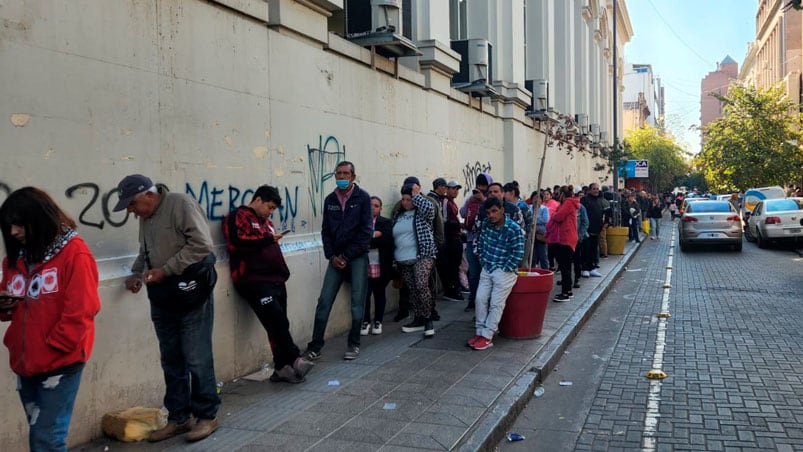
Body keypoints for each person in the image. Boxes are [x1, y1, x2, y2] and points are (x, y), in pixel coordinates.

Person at [116, 174, 220, 443]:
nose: (130, 210)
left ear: (149, 195)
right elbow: (145, 250)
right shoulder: (145, 216)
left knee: (197, 358)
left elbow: (202, 245)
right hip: (162, 297)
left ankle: (207, 416)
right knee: (171, 359)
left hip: (190, 294)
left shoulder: (180, 204)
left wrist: (167, 270)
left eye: (132, 204)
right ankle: (179, 417)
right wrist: (137, 274)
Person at [0, 187, 101, 452]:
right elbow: (12, 306)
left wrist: (54, 345)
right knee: (40, 434)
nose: (13, 233)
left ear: (39, 220)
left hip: (60, 362)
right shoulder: (15, 259)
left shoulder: (75, 254)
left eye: (19, 225)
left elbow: (82, 310)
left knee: (46, 440)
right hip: (25, 362)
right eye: (9, 226)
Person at [222, 185, 314, 384]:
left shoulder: (267, 223)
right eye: (269, 207)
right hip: (253, 279)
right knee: (277, 321)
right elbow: (237, 242)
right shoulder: (238, 216)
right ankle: (295, 358)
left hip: (275, 278)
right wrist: (266, 239)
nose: (270, 212)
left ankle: (282, 367)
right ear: (258, 200)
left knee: (279, 322)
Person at [304, 161, 372, 361]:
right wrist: (332, 256)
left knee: (357, 303)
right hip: (335, 258)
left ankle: (354, 343)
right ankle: (315, 346)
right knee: (324, 301)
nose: (342, 177)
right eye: (338, 174)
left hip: (356, 256)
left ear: (353, 177)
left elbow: (366, 232)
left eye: (346, 174)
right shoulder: (330, 199)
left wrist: (346, 256)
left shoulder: (363, 198)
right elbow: (325, 231)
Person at [468, 196, 524, 350]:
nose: (491, 215)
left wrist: (506, 268)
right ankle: (480, 332)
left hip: (504, 271)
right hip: (487, 267)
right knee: (480, 299)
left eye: (494, 211)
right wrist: (483, 260)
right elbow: (480, 242)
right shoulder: (486, 224)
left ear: (502, 210)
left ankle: (487, 336)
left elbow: (518, 252)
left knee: (496, 304)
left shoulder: (513, 228)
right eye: (488, 212)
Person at [393, 183, 437, 337]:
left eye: (409, 199)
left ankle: (428, 319)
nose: (406, 202)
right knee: (412, 289)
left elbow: (430, 210)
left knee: (421, 285)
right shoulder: (398, 214)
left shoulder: (422, 213)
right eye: (403, 199)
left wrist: (417, 195)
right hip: (403, 258)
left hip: (422, 255)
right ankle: (418, 318)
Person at [361, 196, 394, 336]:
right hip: (364, 264)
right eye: (370, 205)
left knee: (379, 293)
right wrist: (375, 235)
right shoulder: (361, 222)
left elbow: (387, 241)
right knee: (365, 294)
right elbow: (359, 241)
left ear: (380, 208)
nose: (372, 207)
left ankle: (378, 321)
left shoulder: (386, 222)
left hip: (381, 264)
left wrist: (371, 239)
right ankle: (365, 321)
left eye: (376, 205)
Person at [460, 172, 492, 312]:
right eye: (479, 185)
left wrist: (484, 200)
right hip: (472, 239)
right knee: (473, 273)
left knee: (487, 273)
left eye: (484, 185)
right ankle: (473, 299)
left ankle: (486, 301)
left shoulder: (491, 198)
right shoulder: (471, 198)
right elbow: (462, 213)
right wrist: (470, 201)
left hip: (488, 242)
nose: (481, 187)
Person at [546, 186, 580, 302]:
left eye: (558, 193)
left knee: (565, 266)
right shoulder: (570, 202)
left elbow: (558, 217)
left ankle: (565, 292)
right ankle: (568, 291)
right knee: (566, 266)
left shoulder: (568, 203)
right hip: (568, 237)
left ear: (562, 194)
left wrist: (554, 214)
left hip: (566, 238)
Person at [441, 180, 465, 302]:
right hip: (449, 238)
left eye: (457, 189)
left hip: (455, 237)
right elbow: (445, 221)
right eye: (453, 188)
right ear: (447, 189)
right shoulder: (445, 202)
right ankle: (451, 290)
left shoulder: (452, 203)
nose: (455, 191)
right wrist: (459, 225)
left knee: (456, 265)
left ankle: (456, 287)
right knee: (451, 266)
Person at [580, 183, 608, 277]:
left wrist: (602, 224)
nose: (596, 190)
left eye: (597, 189)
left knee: (593, 249)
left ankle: (592, 268)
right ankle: (585, 268)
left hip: (597, 229)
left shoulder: (599, 200)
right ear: (590, 190)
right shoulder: (584, 200)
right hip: (586, 230)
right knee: (586, 249)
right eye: (594, 189)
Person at [530, 191, 549, 269]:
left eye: (538, 198)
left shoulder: (544, 209)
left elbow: (545, 220)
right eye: (534, 198)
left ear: (541, 200)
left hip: (540, 235)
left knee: (543, 256)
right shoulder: (529, 208)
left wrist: (534, 222)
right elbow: (528, 219)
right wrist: (535, 221)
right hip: (531, 235)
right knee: (532, 257)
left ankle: (546, 271)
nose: (536, 200)